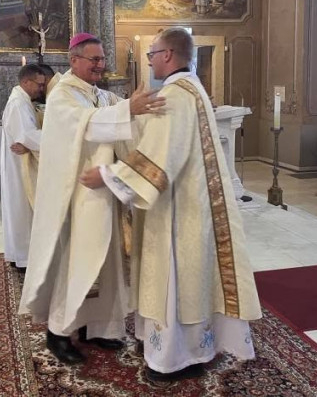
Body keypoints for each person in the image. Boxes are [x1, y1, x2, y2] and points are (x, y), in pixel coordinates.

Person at [79, 27, 261, 382]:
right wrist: (130, 113)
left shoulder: (175, 96)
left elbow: (158, 160)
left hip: (178, 211)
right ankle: (190, 349)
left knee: (174, 280)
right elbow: (156, 137)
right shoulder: (193, 89)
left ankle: (172, 359)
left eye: (152, 54)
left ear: (167, 55)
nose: (149, 61)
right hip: (193, 203)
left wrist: (108, 175)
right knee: (190, 282)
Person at [19, 33, 165, 365]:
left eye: (102, 59)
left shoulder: (100, 95)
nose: (101, 65)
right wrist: (127, 109)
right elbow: (87, 127)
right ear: (74, 60)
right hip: (78, 196)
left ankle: (99, 327)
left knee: (108, 262)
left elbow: (126, 124)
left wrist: (145, 112)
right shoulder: (63, 95)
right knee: (78, 262)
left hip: (105, 190)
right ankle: (58, 332)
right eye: (94, 59)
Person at [0, 64, 46, 270]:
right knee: (22, 209)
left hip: (20, 163)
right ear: (26, 82)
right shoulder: (18, 104)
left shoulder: (23, 100)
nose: (41, 89)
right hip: (19, 167)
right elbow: (27, 136)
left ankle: (17, 253)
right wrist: (58, 136)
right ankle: (23, 257)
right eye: (39, 84)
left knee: (19, 209)